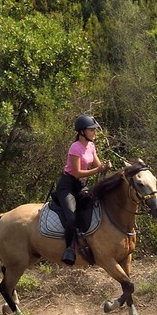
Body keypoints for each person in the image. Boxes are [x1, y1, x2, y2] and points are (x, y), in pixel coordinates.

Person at [53, 113, 103, 266]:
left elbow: (97, 166)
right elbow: (76, 173)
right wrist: (98, 170)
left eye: (94, 130)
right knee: (72, 218)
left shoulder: (91, 146)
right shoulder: (75, 148)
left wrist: (104, 167)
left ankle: (90, 242)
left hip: (81, 186)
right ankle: (68, 249)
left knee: (94, 207)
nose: (94, 133)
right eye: (91, 130)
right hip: (67, 187)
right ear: (82, 132)